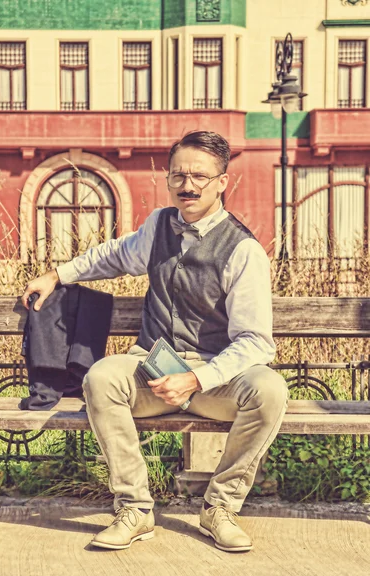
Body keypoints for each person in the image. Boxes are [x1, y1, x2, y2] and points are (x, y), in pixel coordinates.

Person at [21, 131, 288, 553]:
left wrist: (197, 378)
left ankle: (220, 507)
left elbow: (255, 343)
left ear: (222, 181)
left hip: (214, 381)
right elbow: (112, 255)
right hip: (153, 370)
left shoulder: (244, 251)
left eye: (200, 175)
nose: (188, 185)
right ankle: (135, 508)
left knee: (270, 390)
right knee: (102, 377)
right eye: (179, 175)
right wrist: (57, 275)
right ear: (168, 179)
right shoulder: (158, 226)